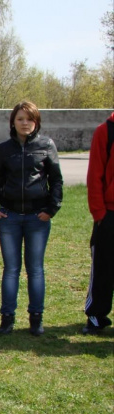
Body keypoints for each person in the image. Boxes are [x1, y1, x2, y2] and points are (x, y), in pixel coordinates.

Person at [0, 101, 63, 336]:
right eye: (20, 119)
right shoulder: (4, 149)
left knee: (35, 269)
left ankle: (36, 318)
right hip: (9, 217)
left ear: (36, 121)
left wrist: (51, 209)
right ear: (13, 122)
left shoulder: (46, 146)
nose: (25, 123)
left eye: (29, 119)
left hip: (36, 218)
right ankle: (7, 318)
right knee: (11, 269)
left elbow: (56, 181)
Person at [83, 111, 114, 334]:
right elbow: (95, 175)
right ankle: (96, 314)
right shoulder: (105, 131)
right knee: (103, 266)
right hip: (109, 214)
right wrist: (99, 213)